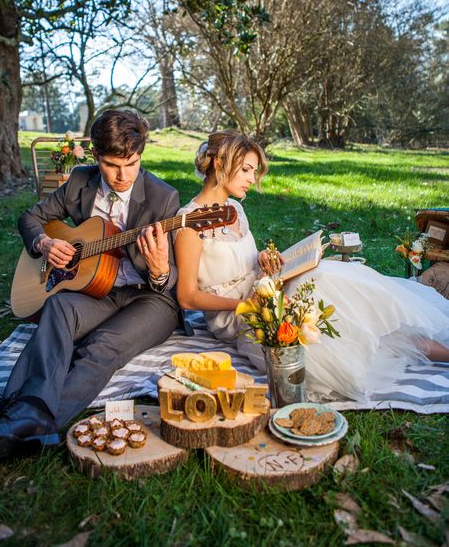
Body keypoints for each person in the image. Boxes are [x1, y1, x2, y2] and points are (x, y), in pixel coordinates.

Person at [173, 130, 449, 402]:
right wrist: (249, 306)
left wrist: (261, 258)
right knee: (313, 319)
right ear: (220, 164)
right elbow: (187, 297)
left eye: (253, 171)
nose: (251, 179)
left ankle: (431, 346)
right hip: (240, 314)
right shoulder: (188, 224)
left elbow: (237, 255)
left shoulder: (235, 209)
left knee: (331, 278)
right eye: (245, 170)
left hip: (267, 286)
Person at [0, 109, 181, 464]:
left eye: (131, 164)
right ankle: (23, 412)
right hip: (97, 288)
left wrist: (161, 270)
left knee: (101, 346)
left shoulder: (163, 198)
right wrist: (44, 243)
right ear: (96, 156)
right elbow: (30, 218)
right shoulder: (80, 181)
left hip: (150, 298)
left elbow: (169, 279)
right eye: (112, 164)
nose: (122, 175)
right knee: (57, 308)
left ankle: (24, 422)